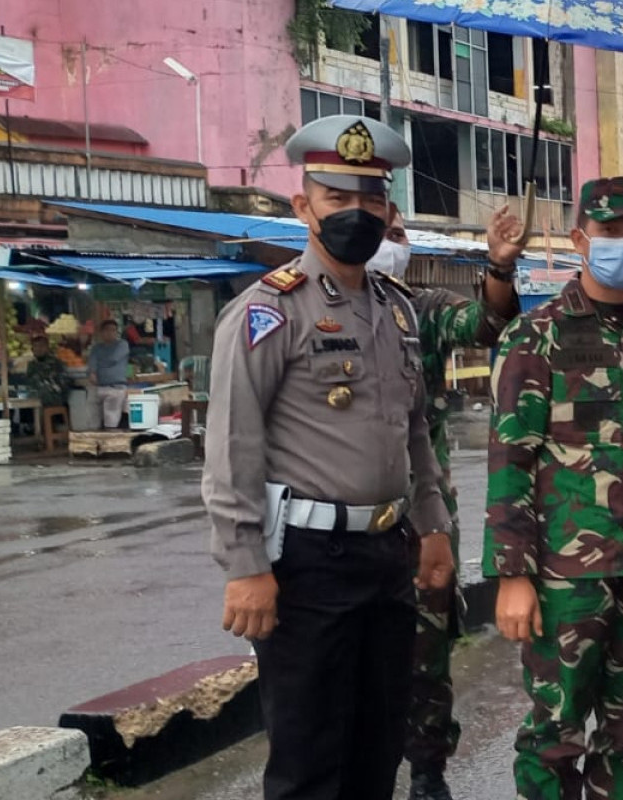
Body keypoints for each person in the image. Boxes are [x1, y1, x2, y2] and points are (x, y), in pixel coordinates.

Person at [202, 114, 456, 800]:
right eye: (337, 198)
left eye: (371, 199)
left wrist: (432, 528)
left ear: (390, 210)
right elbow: (232, 443)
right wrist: (245, 565)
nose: (356, 213)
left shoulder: (394, 311)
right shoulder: (268, 311)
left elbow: (415, 432)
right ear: (302, 205)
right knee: (311, 760)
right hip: (306, 562)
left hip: (386, 555)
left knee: (376, 749)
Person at [485, 176, 623, 800]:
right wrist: (512, 575)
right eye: (612, 232)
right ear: (581, 238)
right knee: (554, 734)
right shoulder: (536, 335)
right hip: (565, 574)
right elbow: (510, 458)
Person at [371, 209, 525, 800]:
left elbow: (488, 322)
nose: (388, 242)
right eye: (380, 230)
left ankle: (428, 771)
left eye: (396, 232)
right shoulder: (300, 305)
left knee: (428, 646)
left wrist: (499, 265)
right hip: (336, 520)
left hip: (423, 512)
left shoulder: (420, 310)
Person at [86, 320, 129, 428]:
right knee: (93, 420)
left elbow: (113, 359)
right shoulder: (96, 348)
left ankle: (110, 440)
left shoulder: (122, 345)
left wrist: (98, 365)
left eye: (113, 330)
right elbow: (92, 362)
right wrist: (92, 371)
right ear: (101, 332)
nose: (110, 333)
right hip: (98, 387)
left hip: (116, 387)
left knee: (111, 421)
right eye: (107, 330)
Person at [21, 334, 71, 409]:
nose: (38, 349)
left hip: (54, 400)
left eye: (41, 346)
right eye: (35, 346)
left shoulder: (56, 363)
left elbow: (62, 386)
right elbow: (29, 382)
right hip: (36, 398)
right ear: (32, 349)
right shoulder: (32, 365)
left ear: (47, 348)